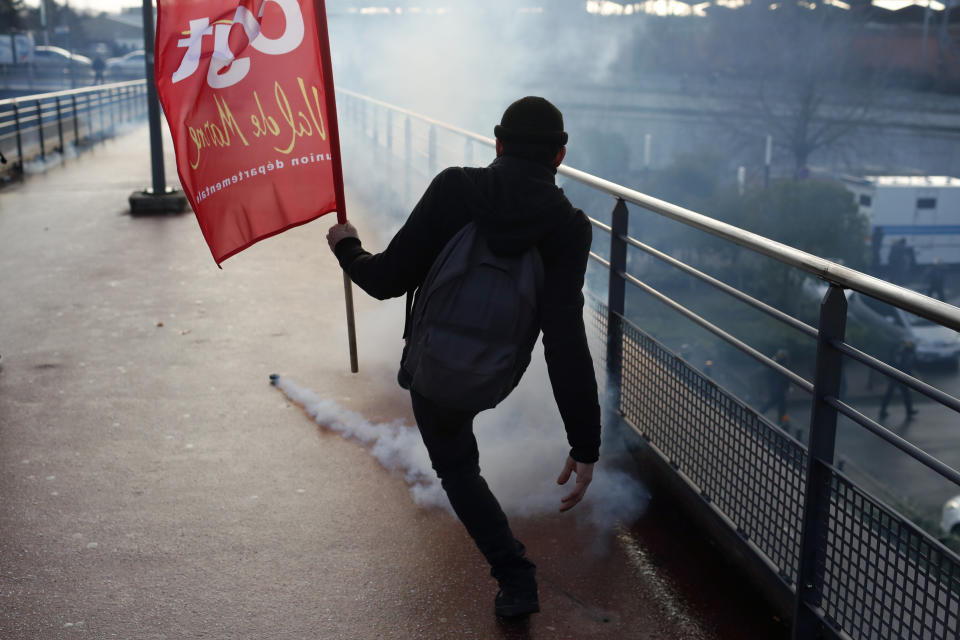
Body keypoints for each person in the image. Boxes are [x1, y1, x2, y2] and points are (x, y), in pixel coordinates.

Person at [326, 97, 601, 618]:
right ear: (560, 156)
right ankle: (515, 578)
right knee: (464, 440)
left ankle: (516, 579)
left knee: (458, 468)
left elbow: (386, 281)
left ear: (496, 143)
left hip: (432, 370)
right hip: (497, 376)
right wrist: (585, 443)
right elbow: (564, 339)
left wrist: (347, 246)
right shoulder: (570, 227)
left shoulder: (456, 187)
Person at [879, 340, 918, 421]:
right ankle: (883, 410)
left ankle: (908, 410)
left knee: (904, 393)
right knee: (891, 394)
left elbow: (908, 364)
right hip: (896, 376)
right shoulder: (899, 352)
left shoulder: (904, 351)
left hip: (900, 376)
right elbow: (898, 364)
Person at [759, 349, 790, 428]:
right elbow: (785, 378)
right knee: (780, 407)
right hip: (779, 389)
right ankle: (782, 422)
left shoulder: (775, 362)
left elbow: (771, 376)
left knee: (779, 406)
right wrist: (787, 388)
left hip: (777, 388)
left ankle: (782, 422)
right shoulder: (782, 364)